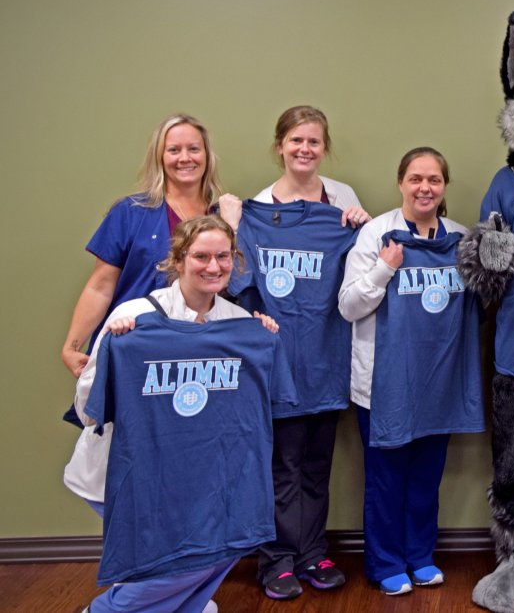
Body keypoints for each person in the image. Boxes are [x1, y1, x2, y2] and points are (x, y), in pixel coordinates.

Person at [64, 215, 282, 613]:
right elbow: (88, 412)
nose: (213, 266)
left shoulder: (239, 325)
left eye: (223, 256)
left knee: (221, 546)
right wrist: (118, 351)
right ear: (178, 261)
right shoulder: (134, 319)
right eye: (200, 256)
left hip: (202, 479)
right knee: (172, 564)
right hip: (130, 474)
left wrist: (261, 337)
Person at [225, 105, 370, 601]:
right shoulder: (255, 212)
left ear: (323, 148)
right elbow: (236, 281)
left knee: (316, 465)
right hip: (276, 362)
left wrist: (361, 224)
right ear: (280, 146)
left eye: (313, 142)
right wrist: (233, 226)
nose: (304, 149)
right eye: (295, 141)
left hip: (327, 359)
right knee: (281, 467)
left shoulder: (343, 201)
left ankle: (311, 552)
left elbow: (362, 269)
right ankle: (277, 559)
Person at [339, 147, 484, 596]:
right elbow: (348, 307)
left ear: (444, 187)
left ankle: (420, 556)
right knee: (386, 479)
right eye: (416, 179)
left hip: (438, 382)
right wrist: (385, 268)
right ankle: (385, 562)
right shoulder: (375, 235)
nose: (425, 188)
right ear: (401, 181)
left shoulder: (461, 240)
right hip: (385, 383)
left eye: (435, 180)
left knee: (426, 477)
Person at [60, 114, 241, 384]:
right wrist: (71, 346)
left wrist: (231, 228)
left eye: (193, 148)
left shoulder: (225, 217)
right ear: (160, 157)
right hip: (134, 342)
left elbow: (231, 286)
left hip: (199, 358)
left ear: (206, 155)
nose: (185, 158)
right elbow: (100, 286)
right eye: (173, 150)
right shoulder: (131, 213)